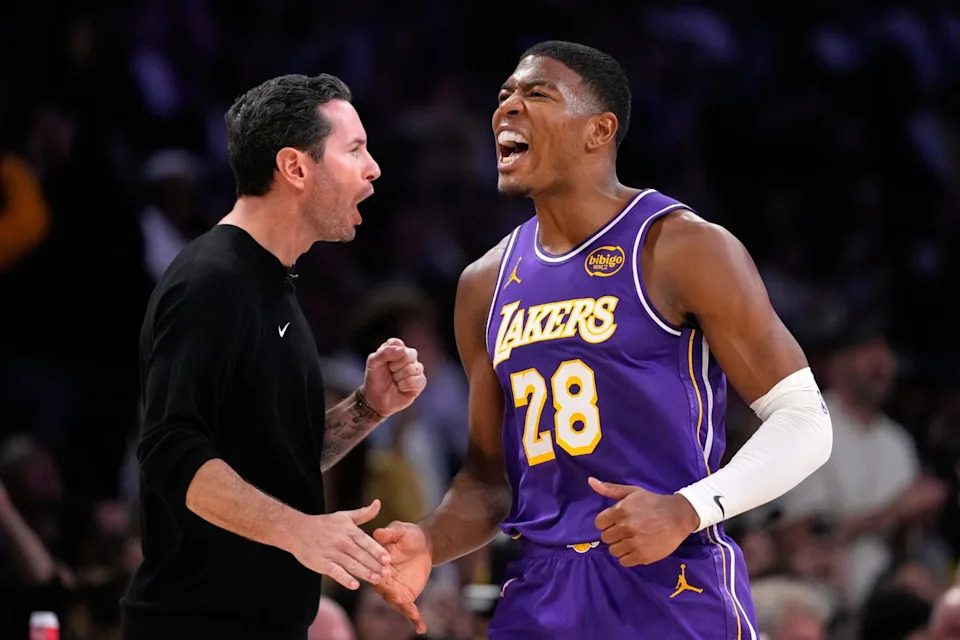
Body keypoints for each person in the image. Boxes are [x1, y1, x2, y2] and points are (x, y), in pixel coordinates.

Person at [370, 41, 833, 638]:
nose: (508, 108)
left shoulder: (681, 246)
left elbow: (805, 419)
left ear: (599, 130)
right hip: (540, 587)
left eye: (536, 94)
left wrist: (687, 508)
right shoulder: (483, 283)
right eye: (504, 95)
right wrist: (430, 541)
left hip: (669, 576)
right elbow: (489, 480)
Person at [120, 73, 427, 640]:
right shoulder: (211, 280)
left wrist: (367, 408)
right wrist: (303, 532)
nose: (373, 167)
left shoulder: (271, 283)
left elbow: (274, 461)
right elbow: (169, 451)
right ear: (295, 167)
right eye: (355, 149)